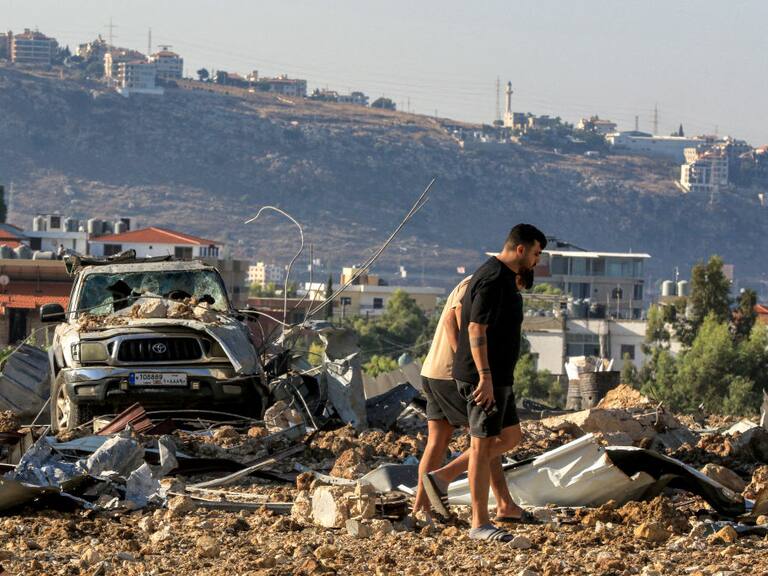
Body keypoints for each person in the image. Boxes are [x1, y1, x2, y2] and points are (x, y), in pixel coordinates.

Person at [423, 224, 545, 541]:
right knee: (480, 446)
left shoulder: (502, 279)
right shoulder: (491, 278)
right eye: (535, 253)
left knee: (509, 437)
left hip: (498, 377)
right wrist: (484, 377)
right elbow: (475, 328)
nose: (536, 261)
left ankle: (444, 477)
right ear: (521, 249)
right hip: (482, 378)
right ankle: (480, 523)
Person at [413, 276, 521, 522]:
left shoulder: (477, 281)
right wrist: (469, 366)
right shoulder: (484, 283)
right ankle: (448, 480)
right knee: (488, 439)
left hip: (434, 371)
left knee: (439, 442)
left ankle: (421, 511)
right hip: (452, 374)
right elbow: (455, 319)